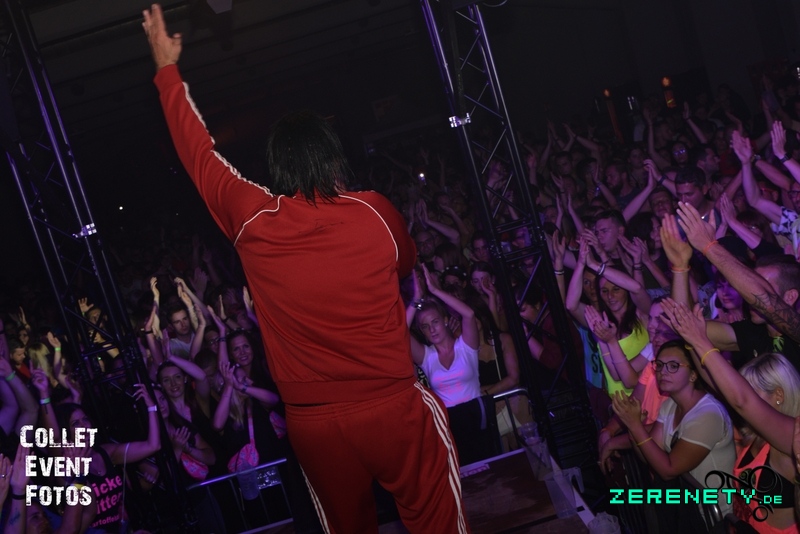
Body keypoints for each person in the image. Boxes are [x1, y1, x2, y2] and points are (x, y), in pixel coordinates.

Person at [142, 6, 468, 533]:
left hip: (316, 425)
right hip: (392, 405)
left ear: (278, 169)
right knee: (438, 521)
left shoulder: (254, 221)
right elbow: (406, 263)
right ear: (333, 158)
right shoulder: (373, 211)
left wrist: (166, 69)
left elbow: (199, 155)